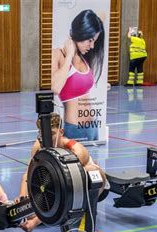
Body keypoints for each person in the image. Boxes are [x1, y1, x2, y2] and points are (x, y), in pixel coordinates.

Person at [17, 113, 120, 232]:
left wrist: (35, 222)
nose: (47, 137)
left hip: (90, 187)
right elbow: (28, 174)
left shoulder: (76, 150)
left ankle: (88, 212)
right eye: (42, 133)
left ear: (61, 132)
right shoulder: (38, 146)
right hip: (59, 187)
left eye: (52, 133)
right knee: (31, 212)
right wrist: (23, 199)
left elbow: (69, 185)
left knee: (92, 171)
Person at [51, 9, 105, 142]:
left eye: (94, 41)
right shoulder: (58, 54)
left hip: (93, 126)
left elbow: (103, 14)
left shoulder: (85, 57)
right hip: (74, 129)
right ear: (81, 33)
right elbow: (55, 88)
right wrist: (69, 54)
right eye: (90, 40)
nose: (92, 46)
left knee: (94, 163)